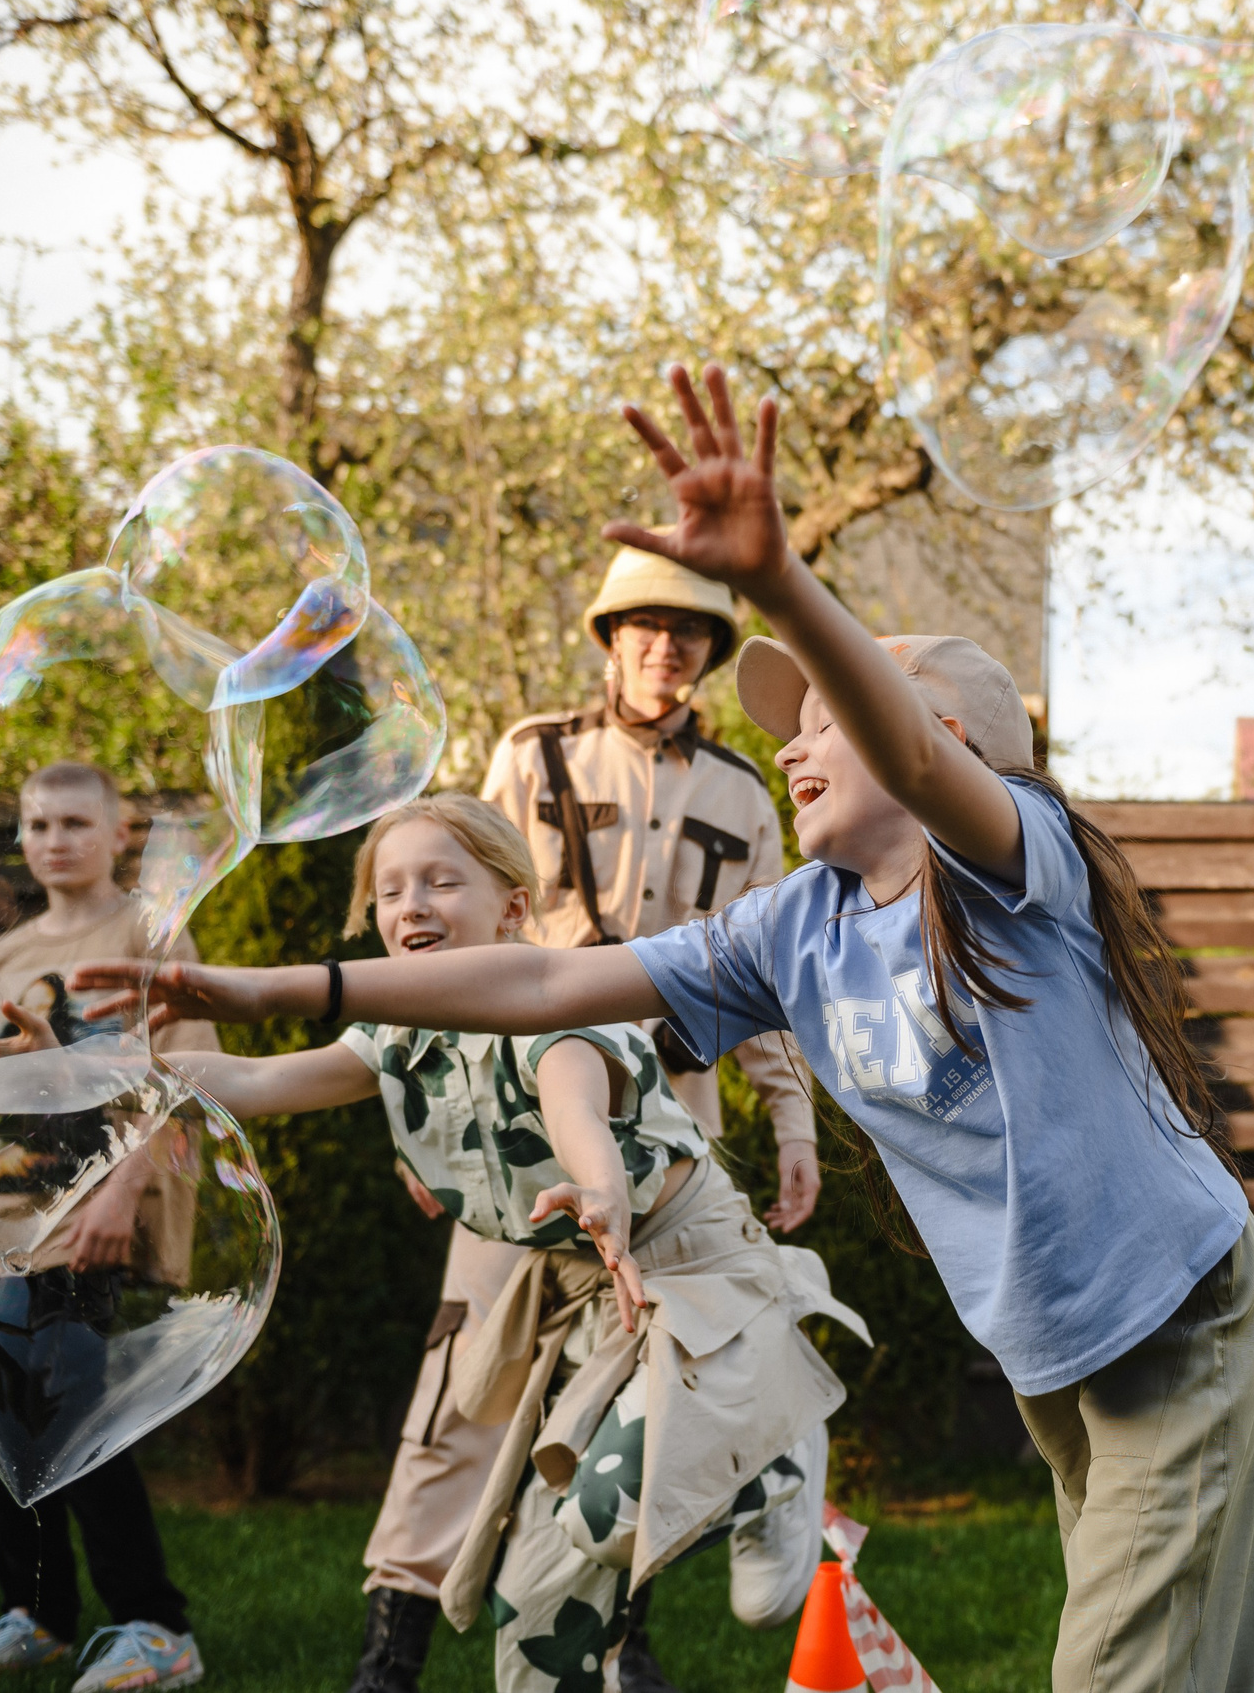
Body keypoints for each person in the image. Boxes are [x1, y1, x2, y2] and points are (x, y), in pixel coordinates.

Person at [80, 366, 1254, 1693]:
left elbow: (933, 770)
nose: (789, 746)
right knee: (1202, 1662)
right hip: (1058, 1345)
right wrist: (281, 989)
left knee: (1122, 1666)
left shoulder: (1011, 867)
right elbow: (543, 985)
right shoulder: (792, 925)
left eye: (822, 717)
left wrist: (777, 580)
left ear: (929, 739)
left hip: (1180, 1308)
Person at [0, 792, 860, 1693]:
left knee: (600, 1505)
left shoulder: (557, 1006)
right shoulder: (394, 1033)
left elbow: (572, 1095)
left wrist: (601, 1183)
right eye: (389, 890)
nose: (411, 904)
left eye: (440, 881)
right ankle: (738, 1474)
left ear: (512, 906)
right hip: (585, 1293)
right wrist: (69, 1072)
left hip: (695, 1275)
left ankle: (768, 1461)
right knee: (538, 1610)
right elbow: (252, 1078)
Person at [358, 550, 823, 1693]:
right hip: (511, 1119)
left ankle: (614, 1634)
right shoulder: (537, 753)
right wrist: (417, 1118)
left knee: (648, 1377)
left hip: (665, 1119)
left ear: (710, 648)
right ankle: (392, 1639)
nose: (666, 645)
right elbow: (444, 926)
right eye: (643, 624)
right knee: (461, 1374)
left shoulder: (740, 792)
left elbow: (765, 970)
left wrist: (794, 1118)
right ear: (609, 634)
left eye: (690, 629)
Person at [0, 762, 219, 1691]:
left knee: (79, 1410)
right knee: (9, 1424)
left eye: (76, 822)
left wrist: (122, 1194)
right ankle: (37, 1611)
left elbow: (192, 1073)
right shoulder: (3, 957)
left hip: (90, 1212)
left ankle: (155, 1622)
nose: (55, 839)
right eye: (39, 823)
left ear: (120, 831)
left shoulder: (147, 930)